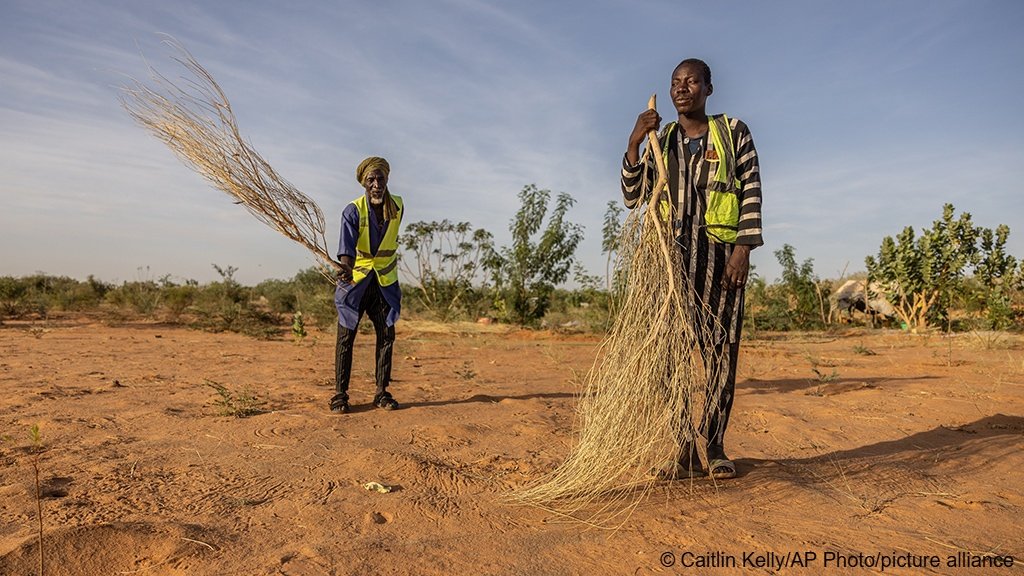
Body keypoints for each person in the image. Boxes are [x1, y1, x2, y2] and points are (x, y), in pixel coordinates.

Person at [620, 58, 763, 479]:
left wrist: (743, 250)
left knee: (721, 351)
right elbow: (635, 196)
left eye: (692, 81)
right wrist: (634, 144)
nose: (683, 88)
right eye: (676, 83)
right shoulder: (660, 141)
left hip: (720, 259)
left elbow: (752, 188)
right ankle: (683, 449)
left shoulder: (734, 132)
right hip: (670, 263)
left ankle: (715, 445)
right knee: (670, 357)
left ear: (708, 89)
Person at [330, 156, 404, 414]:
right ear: (363, 182)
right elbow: (346, 248)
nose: (376, 184)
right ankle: (340, 394)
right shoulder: (352, 210)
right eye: (370, 180)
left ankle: (381, 392)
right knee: (346, 337)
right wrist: (345, 267)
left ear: (387, 180)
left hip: (384, 282)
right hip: (356, 282)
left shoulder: (397, 206)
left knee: (387, 336)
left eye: (380, 178)